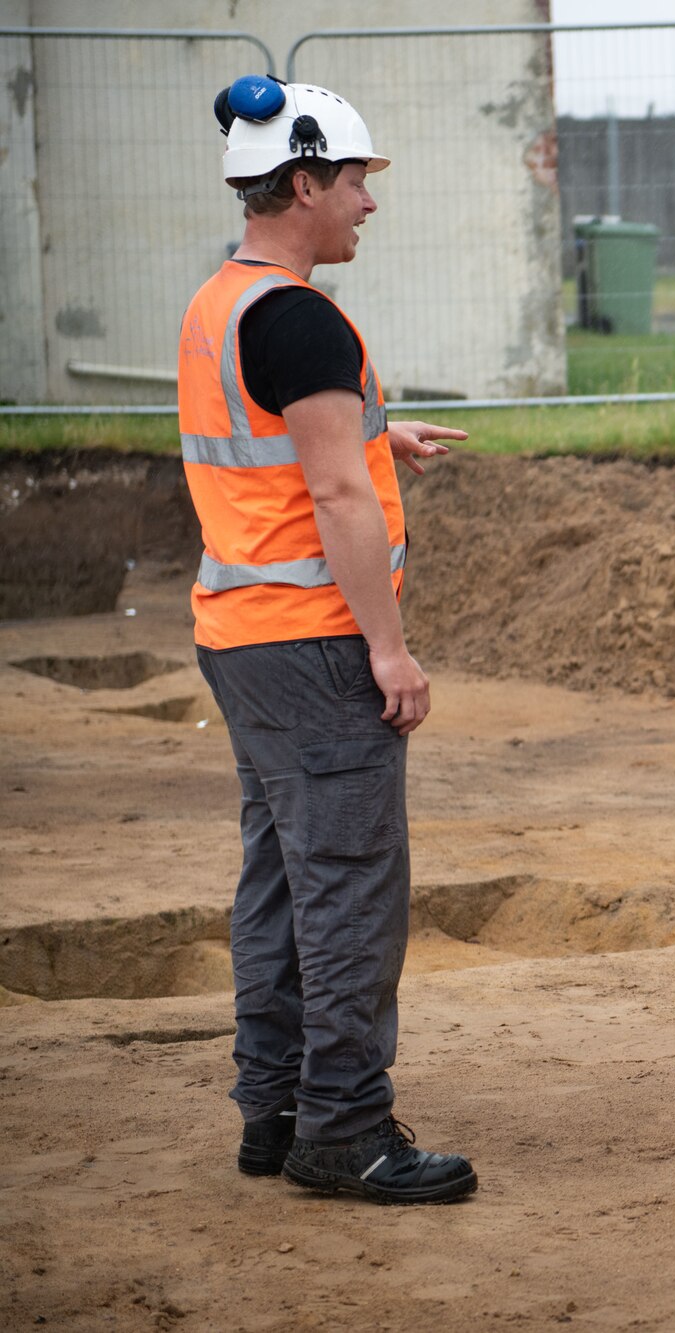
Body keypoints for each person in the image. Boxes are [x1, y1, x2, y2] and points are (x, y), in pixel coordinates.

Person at [180, 76, 476, 1204]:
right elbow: (338, 503)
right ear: (303, 182)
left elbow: (285, 439)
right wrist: (388, 653)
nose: (366, 202)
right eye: (355, 181)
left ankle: (272, 1110)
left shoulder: (228, 300)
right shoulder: (300, 318)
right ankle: (345, 1127)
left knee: (280, 880)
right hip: (311, 647)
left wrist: (379, 433)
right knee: (348, 885)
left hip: (241, 636)